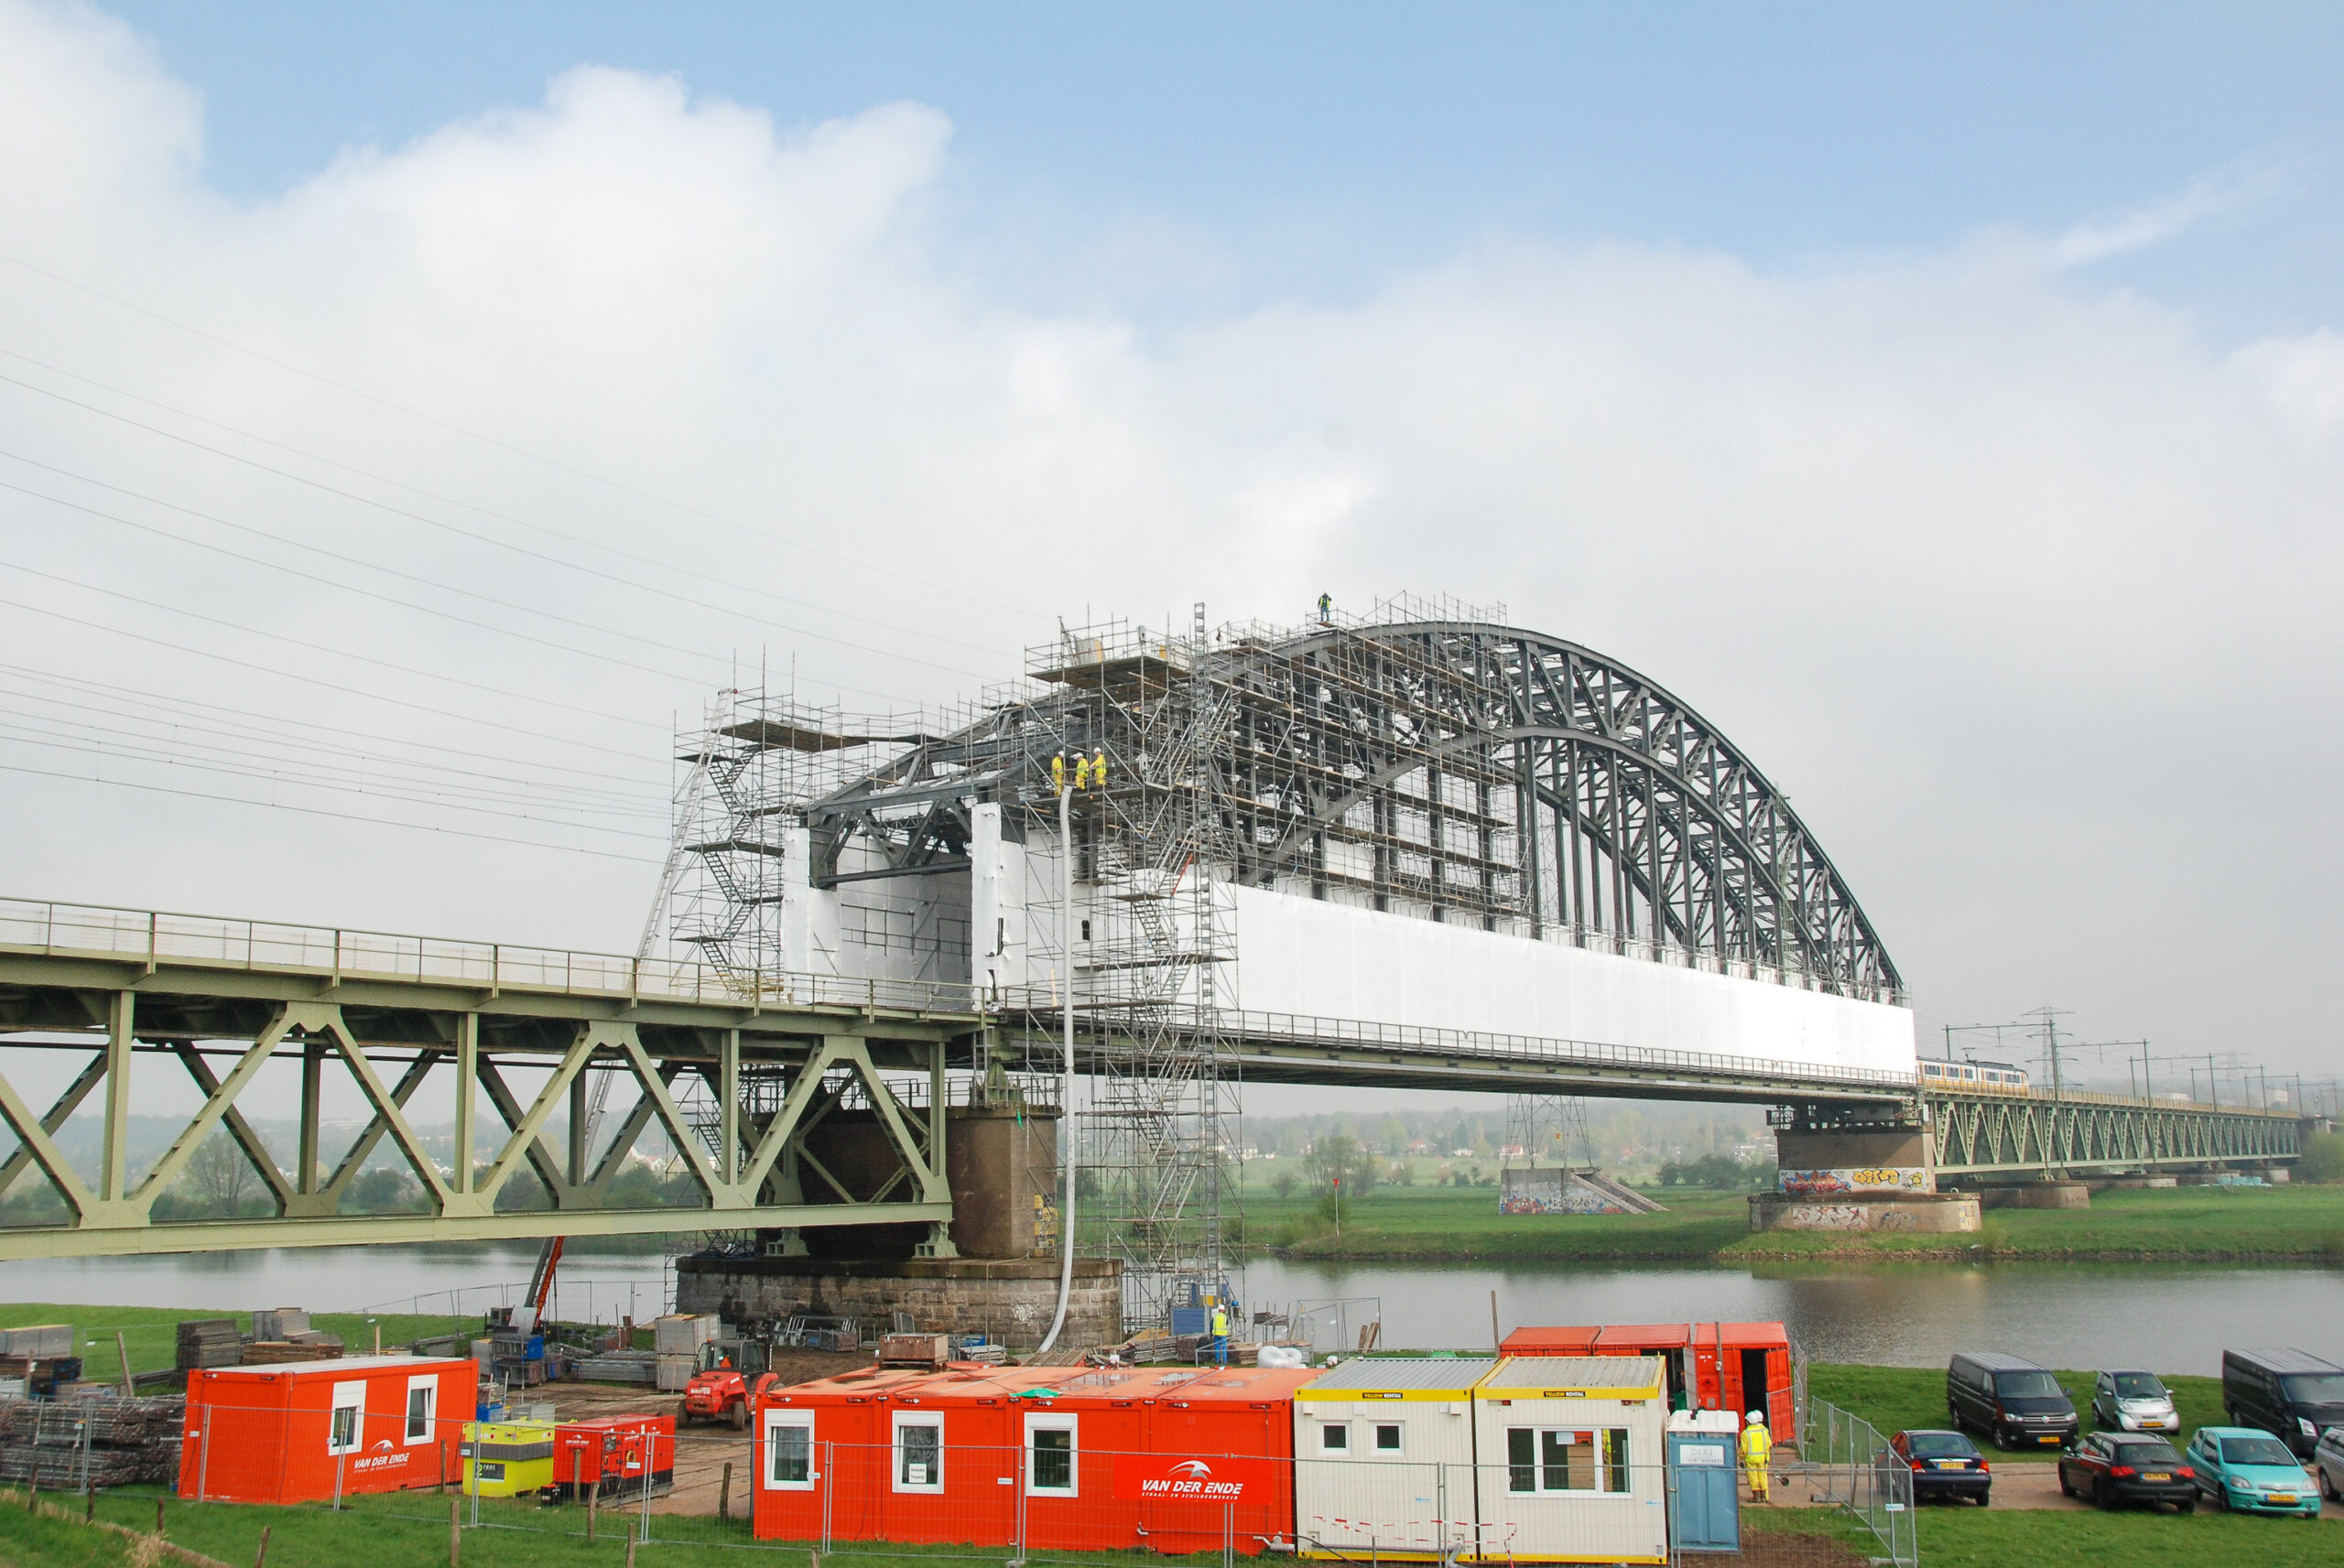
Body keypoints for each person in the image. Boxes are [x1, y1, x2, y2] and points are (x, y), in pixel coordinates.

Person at [1739, 1409, 1772, 1502]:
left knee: (1753, 1477)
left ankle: (1756, 1497)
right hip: (1762, 1458)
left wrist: (1741, 1458)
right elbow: (1768, 1443)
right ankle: (1764, 1496)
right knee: (1762, 1476)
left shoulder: (1745, 1433)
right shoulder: (1764, 1431)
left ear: (1748, 1422)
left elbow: (1743, 1449)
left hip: (1750, 1459)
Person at [1209, 1302, 1230, 1366]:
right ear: (1223, 1310)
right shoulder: (1225, 1317)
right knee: (1224, 1348)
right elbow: (1227, 1323)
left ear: (1218, 1310)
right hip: (1223, 1334)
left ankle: (1217, 1361)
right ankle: (1225, 1362)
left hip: (1216, 1334)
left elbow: (1211, 1325)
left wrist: (1211, 1333)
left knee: (1217, 1348)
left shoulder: (1215, 1317)